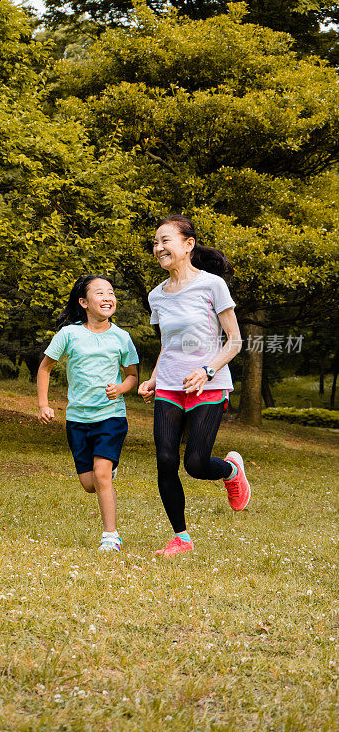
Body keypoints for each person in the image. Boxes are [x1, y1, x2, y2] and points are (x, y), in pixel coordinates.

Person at [138, 215, 250, 558]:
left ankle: (231, 470)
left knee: (197, 464)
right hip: (169, 386)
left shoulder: (212, 285)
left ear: (188, 244)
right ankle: (180, 538)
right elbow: (168, 345)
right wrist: (154, 378)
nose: (159, 248)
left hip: (210, 387)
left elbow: (234, 342)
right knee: (165, 458)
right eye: (155, 243)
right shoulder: (156, 296)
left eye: (165, 240)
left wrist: (207, 370)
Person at [37, 275, 139, 552]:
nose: (108, 297)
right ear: (83, 302)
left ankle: (110, 536)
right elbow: (45, 368)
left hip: (111, 416)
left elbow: (132, 376)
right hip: (78, 419)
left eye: (111, 292)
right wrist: (43, 404)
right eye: (99, 293)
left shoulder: (122, 337)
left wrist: (120, 388)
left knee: (101, 475)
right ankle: (106, 470)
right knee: (88, 483)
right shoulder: (69, 334)